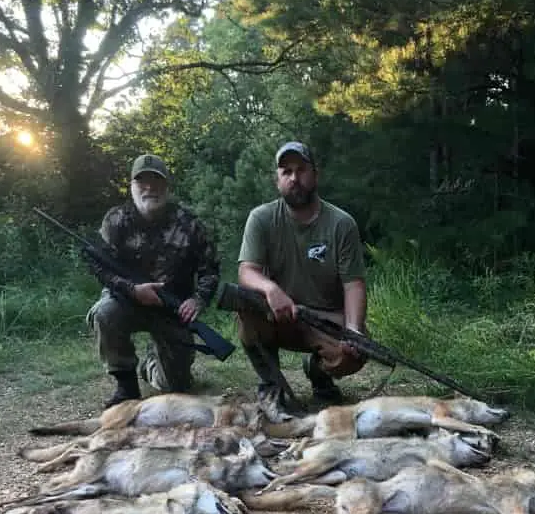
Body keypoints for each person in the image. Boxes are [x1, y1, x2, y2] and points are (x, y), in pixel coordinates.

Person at [237, 140, 367, 406]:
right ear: (278, 181)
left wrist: (353, 329)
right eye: (286, 172)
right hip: (281, 315)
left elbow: (353, 284)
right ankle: (272, 386)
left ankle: (319, 374)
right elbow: (246, 271)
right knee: (246, 309)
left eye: (301, 170)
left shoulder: (342, 223)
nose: (294, 178)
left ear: (315, 175)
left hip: (326, 319)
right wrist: (271, 290)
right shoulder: (261, 218)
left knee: (356, 353)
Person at [87, 154, 220, 408]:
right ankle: (126, 387)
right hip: (127, 299)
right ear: (132, 186)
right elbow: (98, 264)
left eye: (156, 182)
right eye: (142, 182)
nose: (149, 188)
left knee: (176, 387)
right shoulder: (116, 219)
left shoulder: (189, 224)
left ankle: (150, 365)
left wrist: (197, 300)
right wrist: (132, 289)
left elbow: (210, 269)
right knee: (105, 313)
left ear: (167, 186)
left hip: (172, 308)